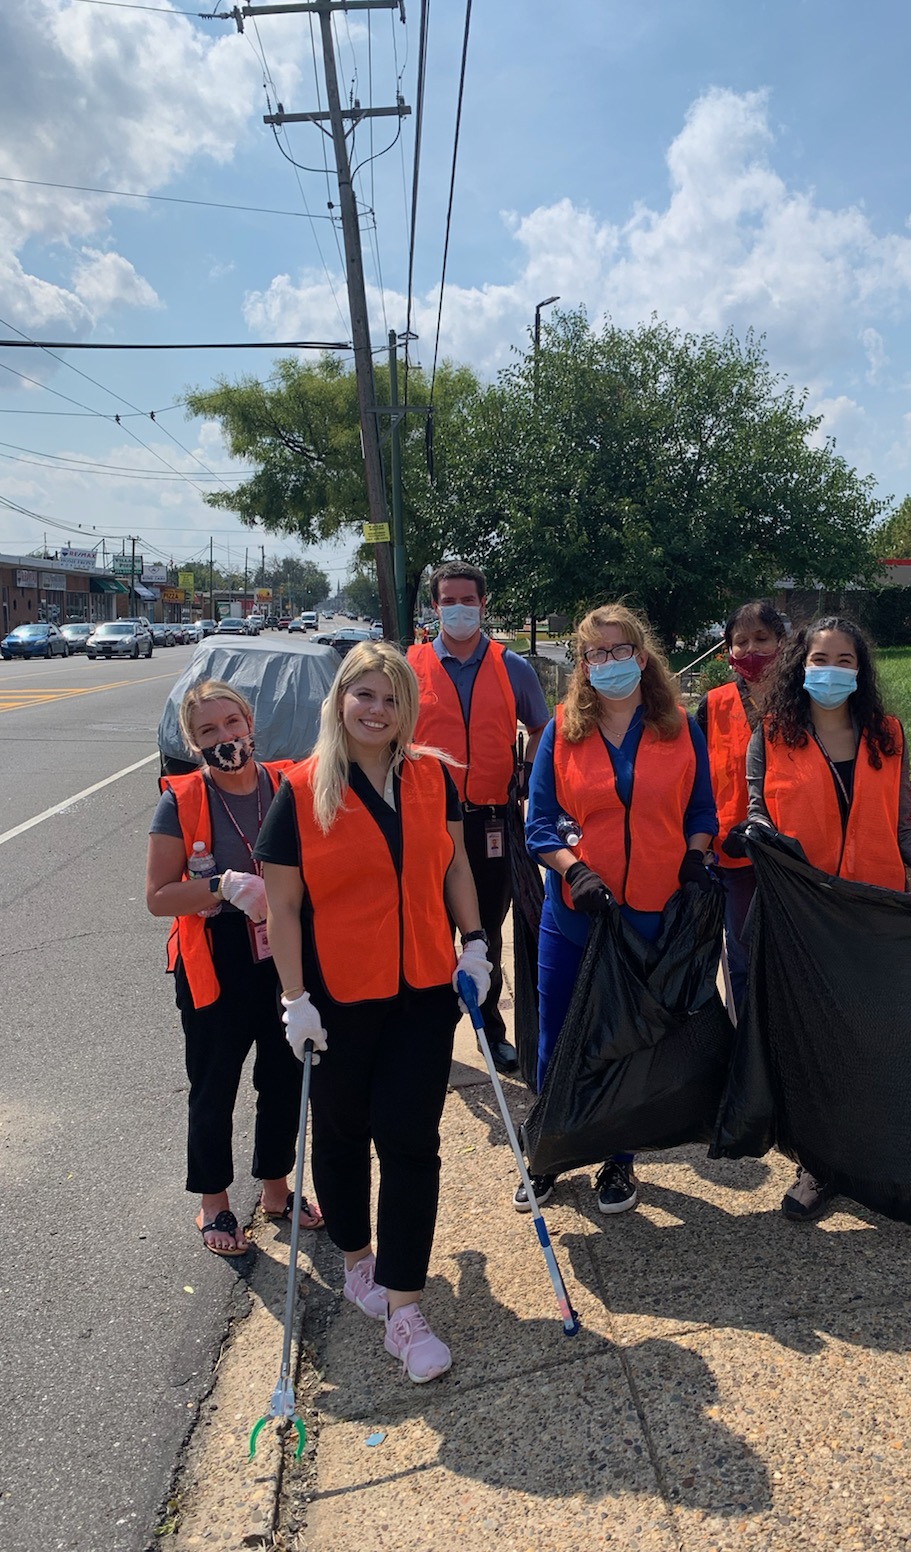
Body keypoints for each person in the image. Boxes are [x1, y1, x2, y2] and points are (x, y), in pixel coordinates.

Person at [256, 641, 489, 1383]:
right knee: (345, 1133)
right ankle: (359, 1258)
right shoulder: (300, 788)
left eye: (390, 699)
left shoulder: (432, 777)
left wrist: (477, 941)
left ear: (406, 708)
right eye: (363, 695)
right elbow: (283, 906)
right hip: (337, 999)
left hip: (423, 990)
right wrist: (294, 999)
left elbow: (455, 864)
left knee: (412, 1141)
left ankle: (406, 1307)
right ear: (340, 701)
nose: (376, 710)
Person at [744, 614, 911, 1223]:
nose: (831, 671)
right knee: (814, 1046)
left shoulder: (888, 735)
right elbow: (757, 814)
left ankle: (874, 1153)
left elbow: (903, 832)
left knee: (873, 1039)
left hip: (876, 915)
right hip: (804, 918)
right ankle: (819, 1164)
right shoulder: (773, 733)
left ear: (862, 669)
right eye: (819, 659)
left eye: (844, 660)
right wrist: (761, 840)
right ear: (800, 666)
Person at [524, 604, 719, 1216]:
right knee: (559, 1036)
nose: (609, 663)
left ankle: (618, 1161)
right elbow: (540, 824)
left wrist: (694, 856)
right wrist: (572, 868)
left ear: (642, 656)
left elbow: (702, 813)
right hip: (578, 913)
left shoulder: (679, 727)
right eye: (596, 654)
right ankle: (547, 1154)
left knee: (630, 1045)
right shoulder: (562, 729)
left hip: (651, 915)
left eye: (620, 650)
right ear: (582, 667)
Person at [146, 681, 322, 1257]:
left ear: (250, 723)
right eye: (208, 732)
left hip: (284, 952)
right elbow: (158, 896)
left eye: (231, 724)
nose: (224, 739)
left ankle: (276, 1188)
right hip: (215, 959)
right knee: (215, 1082)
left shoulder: (286, 785)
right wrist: (219, 885)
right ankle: (215, 1204)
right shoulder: (182, 800)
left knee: (284, 1074)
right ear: (193, 744)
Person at [408, 562, 550, 1074]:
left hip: (492, 822)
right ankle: (431, 1033)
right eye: (448, 600)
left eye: (467, 600)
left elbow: (541, 727)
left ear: (483, 605)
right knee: (429, 928)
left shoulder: (512, 667)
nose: (458, 609)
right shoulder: (411, 666)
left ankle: (491, 1028)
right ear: (435, 605)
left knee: (485, 930)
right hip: (427, 822)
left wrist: (526, 773)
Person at [694, 599, 789, 1014]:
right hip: (732, 855)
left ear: (783, 644)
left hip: (792, 854)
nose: (752, 651)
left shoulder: (804, 703)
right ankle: (745, 1043)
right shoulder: (711, 706)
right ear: (727, 652)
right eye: (741, 642)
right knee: (742, 953)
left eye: (762, 639)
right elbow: (694, 781)